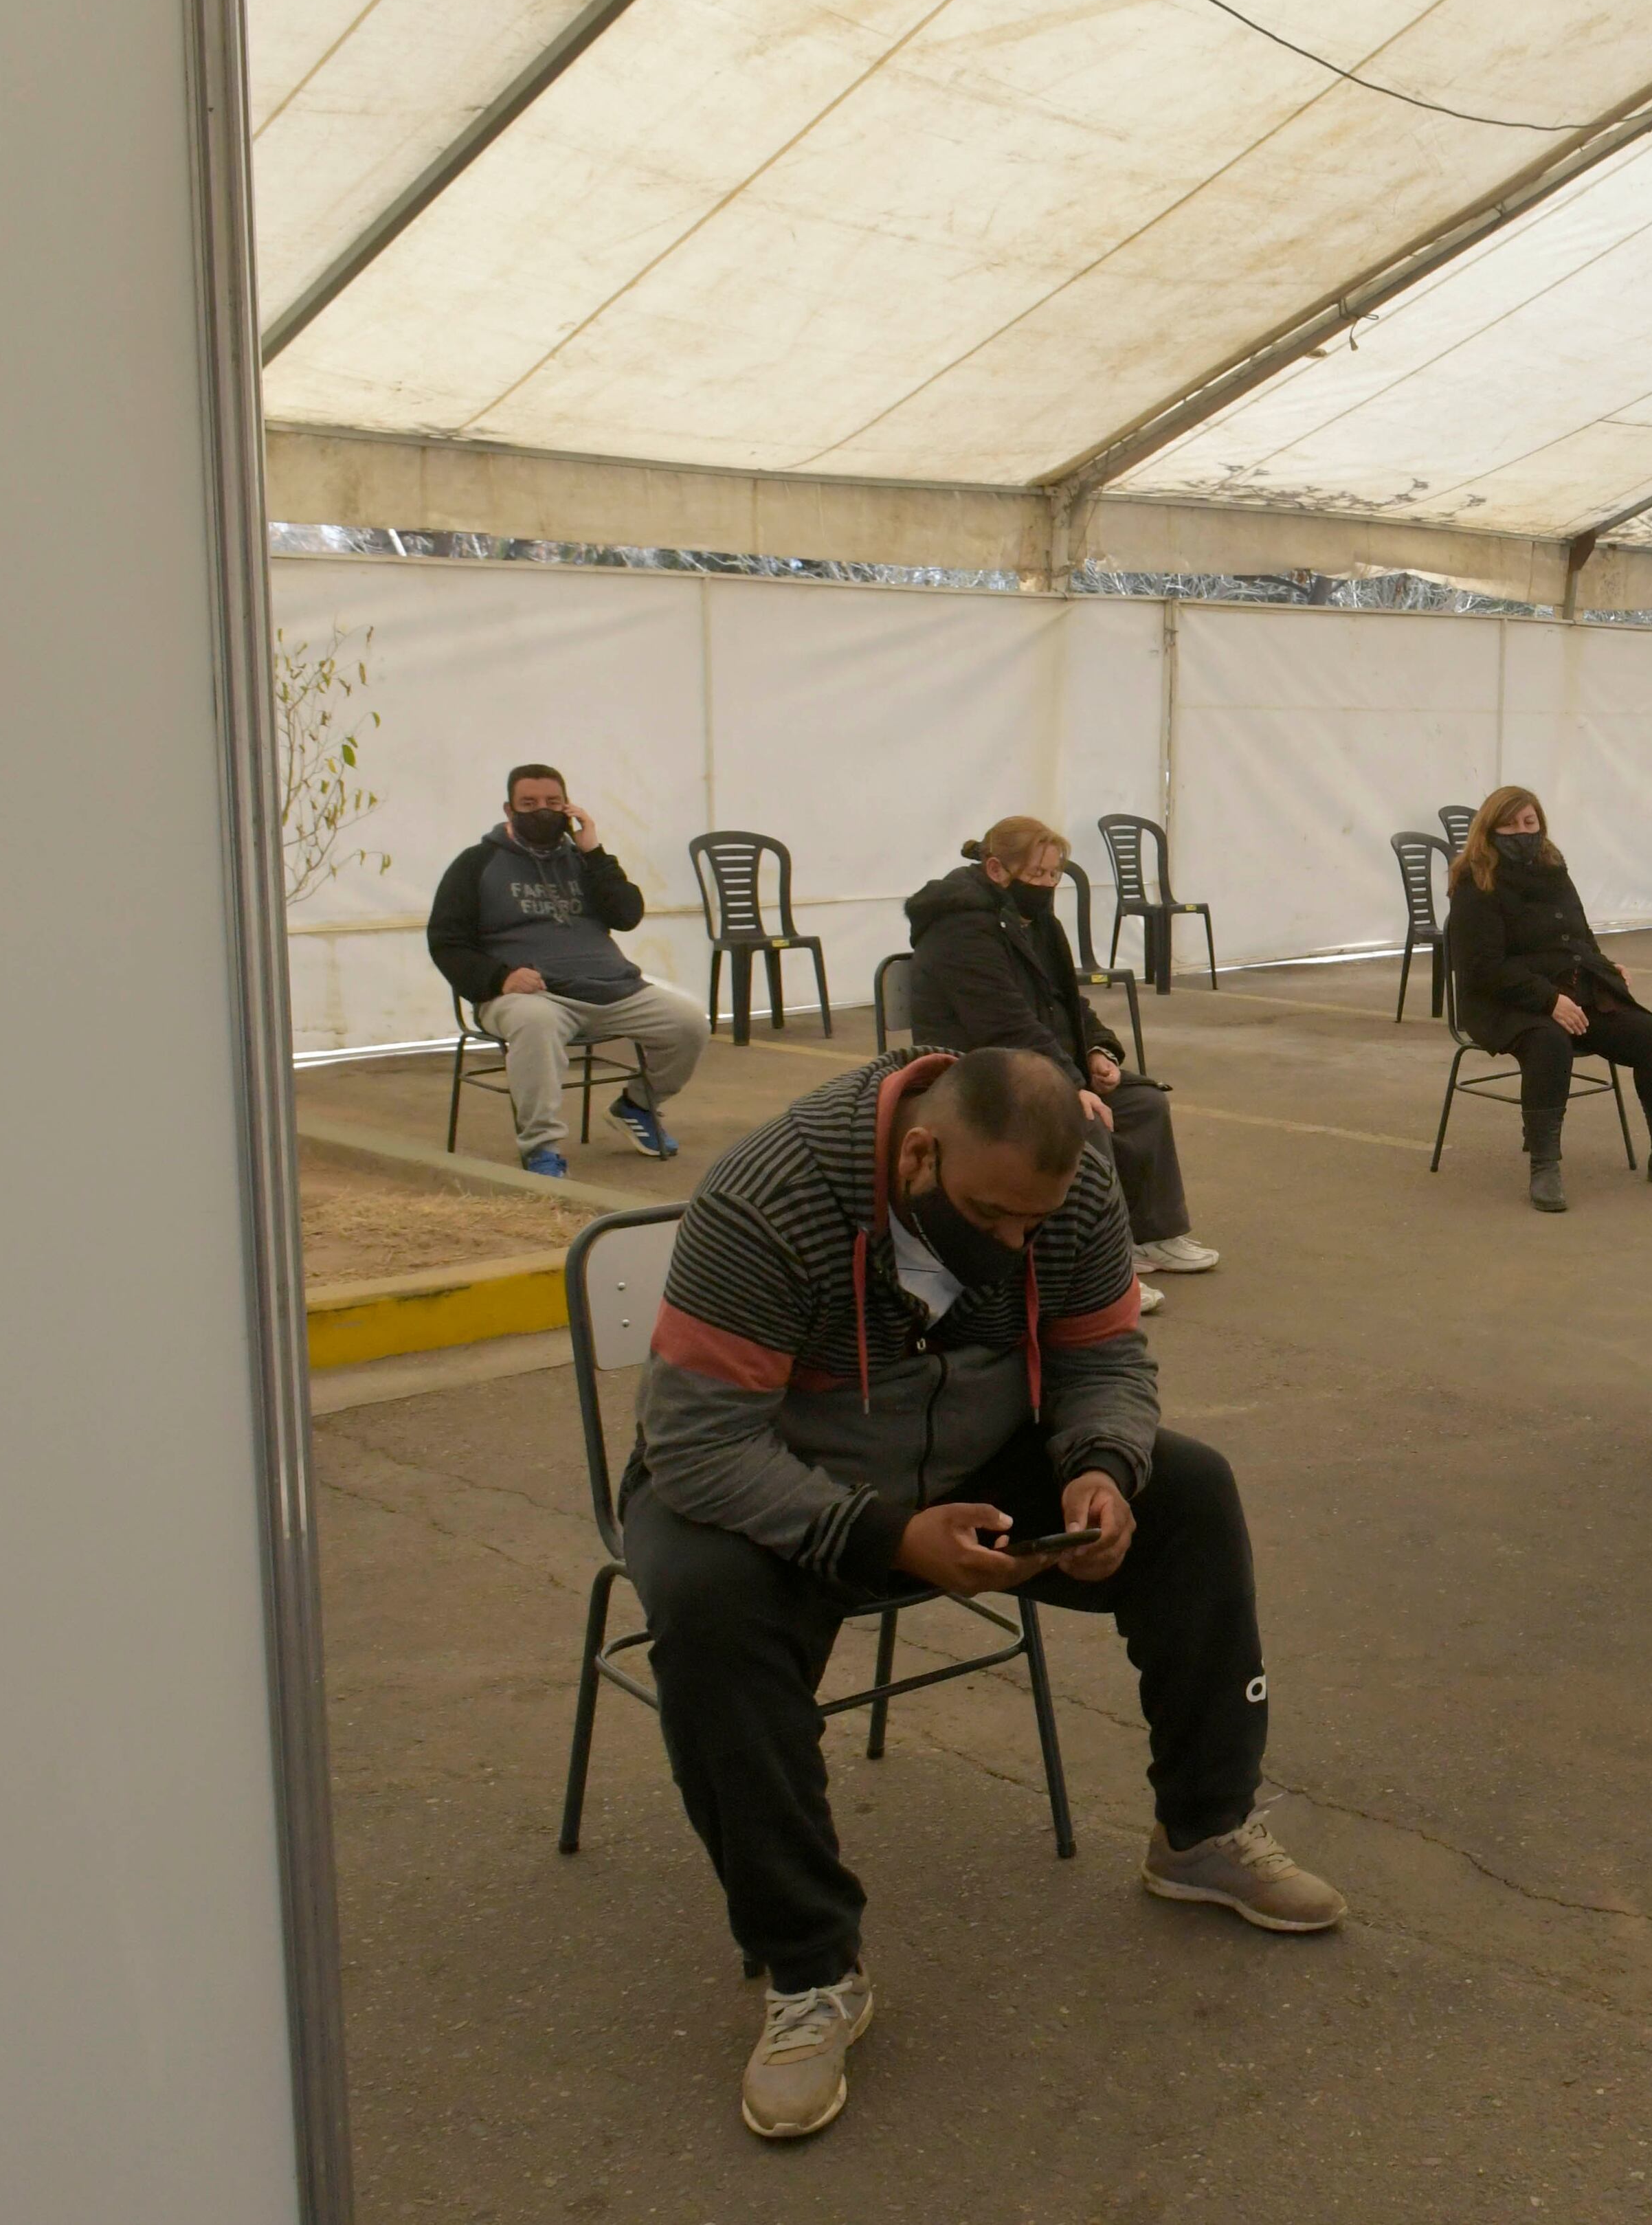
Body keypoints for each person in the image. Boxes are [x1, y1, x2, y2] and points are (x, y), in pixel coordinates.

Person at [629, 1044, 1343, 2143]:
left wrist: (1103, 1466)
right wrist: (884, 1538)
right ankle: (810, 1968)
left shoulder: (1071, 1186)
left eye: (1034, 1224)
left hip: (966, 1459)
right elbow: (697, 1444)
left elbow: (1106, 1356)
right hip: (778, 1472)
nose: (1018, 1244)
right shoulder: (772, 1196)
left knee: (1189, 1494)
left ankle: (1201, 1832)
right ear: (919, 1153)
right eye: (993, 1218)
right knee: (703, 1598)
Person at [905, 817, 1220, 1312]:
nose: (1049, 885)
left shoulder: (1033, 923)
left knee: (1142, 1103)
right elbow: (1002, 1023)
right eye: (1038, 874)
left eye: (1055, 875)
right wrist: (1071, 1085)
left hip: (1034, 1061)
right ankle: (1106, 1267)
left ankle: (1151, 1237)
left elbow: (1065, 1001)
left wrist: (1098, 1051)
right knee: (1084, 1121)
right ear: (996, 868)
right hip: (974, 1071)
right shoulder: (959, 929)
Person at [427, 763, 711, 1174]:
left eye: (552, 803)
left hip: (611, 988)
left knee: (689, 1023)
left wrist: (594, 853)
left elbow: (628, 914)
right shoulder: (476, 864)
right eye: (529, 803)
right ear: (509, 810)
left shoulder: (585, 860)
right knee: (535, 1024)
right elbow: (446, 942)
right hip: (527, 994)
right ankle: (540, 1147)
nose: (542, 811)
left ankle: (637, 1107)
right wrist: (499, 978)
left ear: (569, 808)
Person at [1444, 783, 1652, 1212]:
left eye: (1529, 822)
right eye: (1510, 823)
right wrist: (1547, 1001)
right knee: (1549, 1042)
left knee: (1651, 1035)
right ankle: (1545, 1166)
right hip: (1503, 1003)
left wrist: (1605, 967)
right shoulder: (1474, 881)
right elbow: (1482, 968)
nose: (1522, 832)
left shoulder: (1553, 866)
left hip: (1572, 995)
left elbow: (1579, 935)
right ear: (1489, 829)